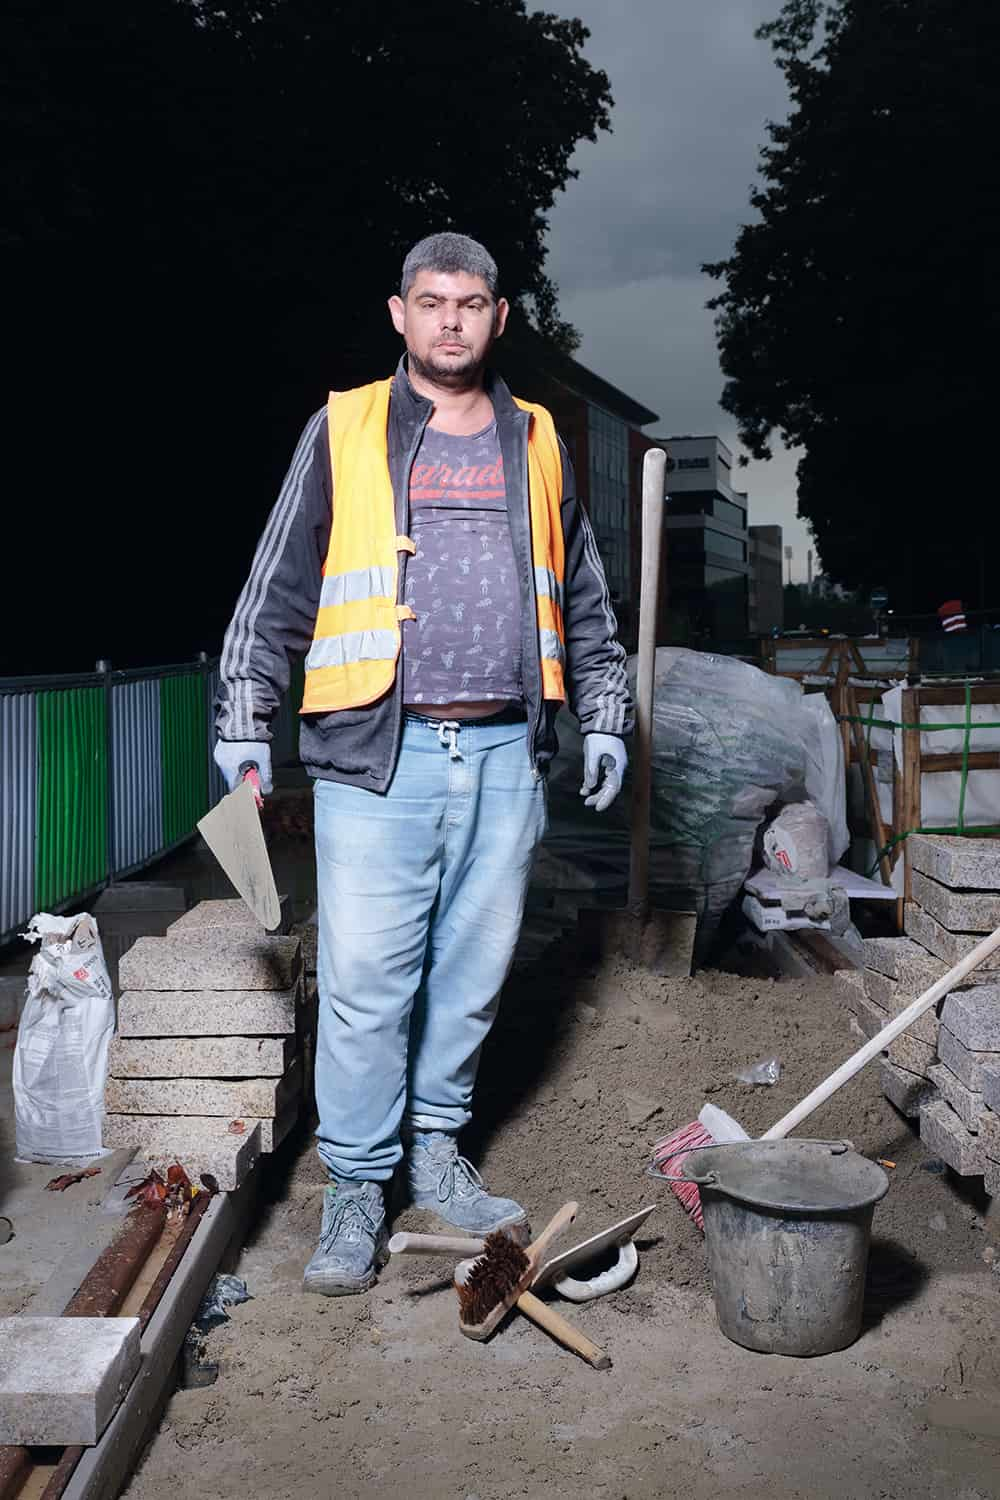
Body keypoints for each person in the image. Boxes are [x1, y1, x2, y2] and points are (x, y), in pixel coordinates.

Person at [213, 233, 633, 1296]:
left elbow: (581, 588)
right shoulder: (344, 425)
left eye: (473, 302)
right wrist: (245, 713)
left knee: (473, 971)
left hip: (503, 751)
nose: (452, 319)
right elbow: (276, 586)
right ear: (399, 315)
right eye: (432, 301)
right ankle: (356, 1183)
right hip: (375, 758)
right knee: (364, 982)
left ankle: (436, 1147)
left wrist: (607, 713)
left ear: (500, 318)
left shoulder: (535, 438)